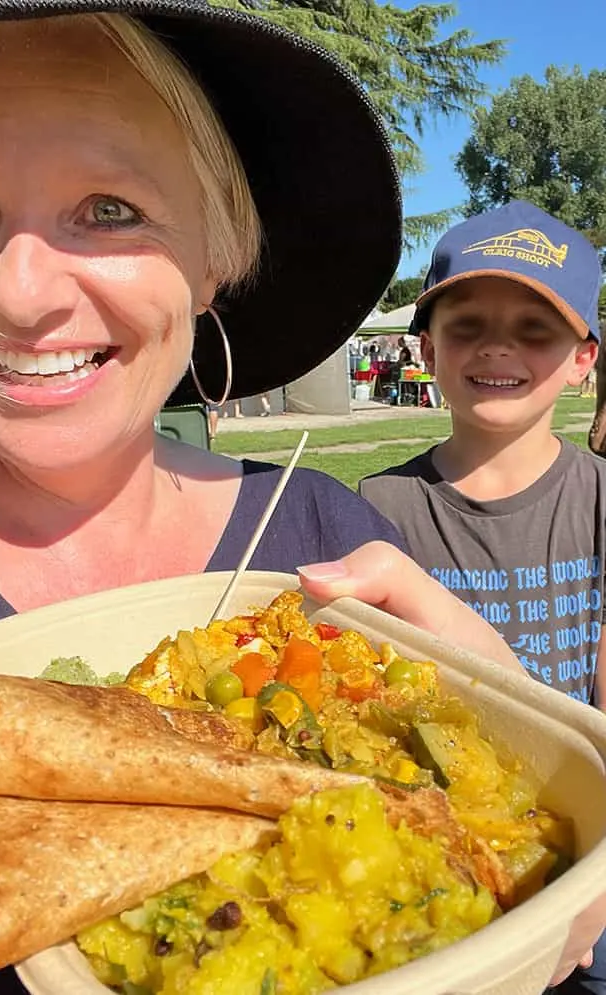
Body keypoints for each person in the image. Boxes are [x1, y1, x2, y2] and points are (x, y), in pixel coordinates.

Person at [0, 7, 600, 992]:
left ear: (215, 255)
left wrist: (531, 778)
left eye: (110, 209)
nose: (25, 292)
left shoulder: (331, 539)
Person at [358, 200, 606, 994]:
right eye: (467, 324)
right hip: (447, 853)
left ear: (583, 359)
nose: (499, 345)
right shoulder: (378, 508)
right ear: (425, 348)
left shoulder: (602, 499)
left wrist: (594, 882)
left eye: (537, 327)